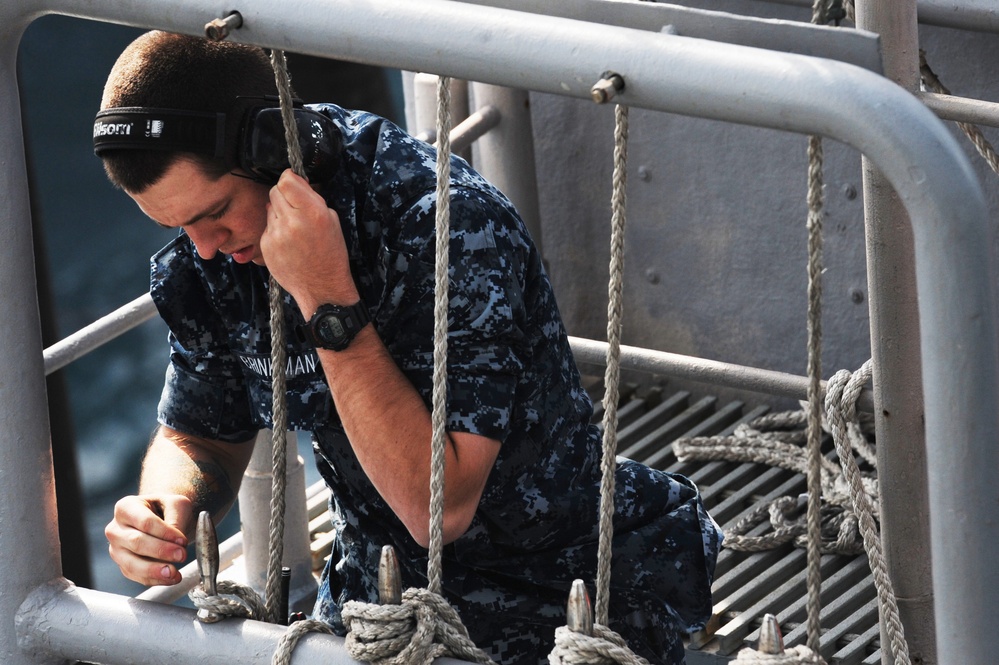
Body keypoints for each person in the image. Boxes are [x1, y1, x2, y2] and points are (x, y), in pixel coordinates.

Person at [100, 31, 721, 664]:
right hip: (379, 599)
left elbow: (438, 506)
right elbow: (199, 436)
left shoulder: (449, 226)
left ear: (274, 152)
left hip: (562, 599)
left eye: (217, 212)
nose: (204, 246)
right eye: (180, 227)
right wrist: (165, 511)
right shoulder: (214, 256)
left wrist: (325, 299)